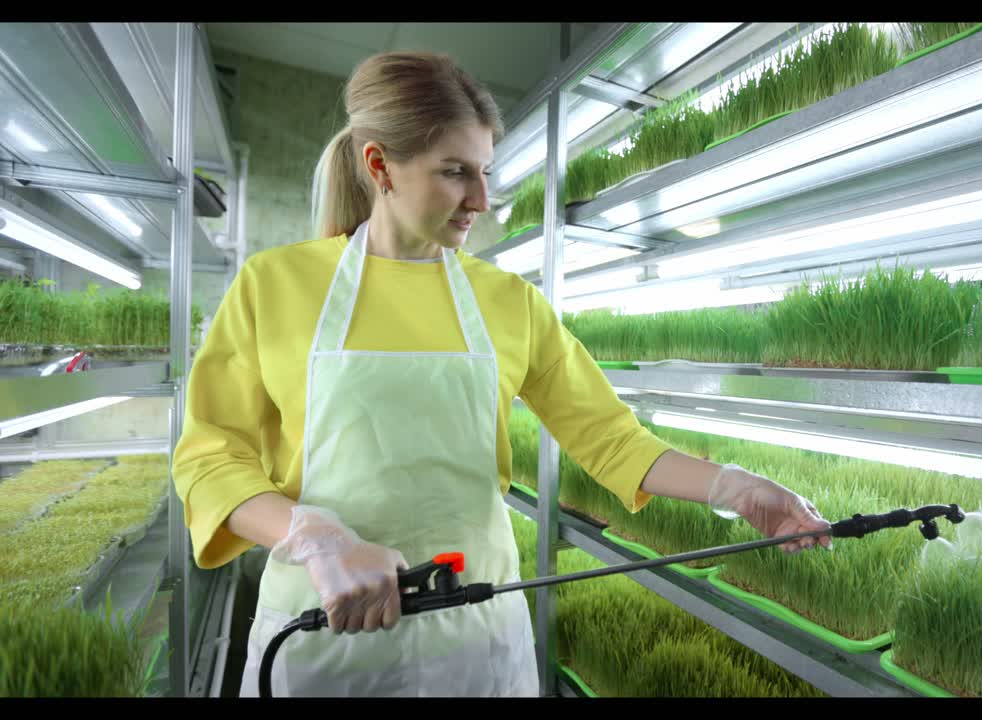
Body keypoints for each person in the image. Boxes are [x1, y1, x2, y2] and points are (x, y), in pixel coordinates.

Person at [171, 50, 833, 699]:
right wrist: (313, 537)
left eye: (485, 172)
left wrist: (738, 489)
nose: (481, 199)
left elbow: (609, 437)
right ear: (380, 167)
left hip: (474, 637)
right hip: (324, 638)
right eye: (456, 172)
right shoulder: (275, 286)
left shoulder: (507, 301)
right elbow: (210, 458)